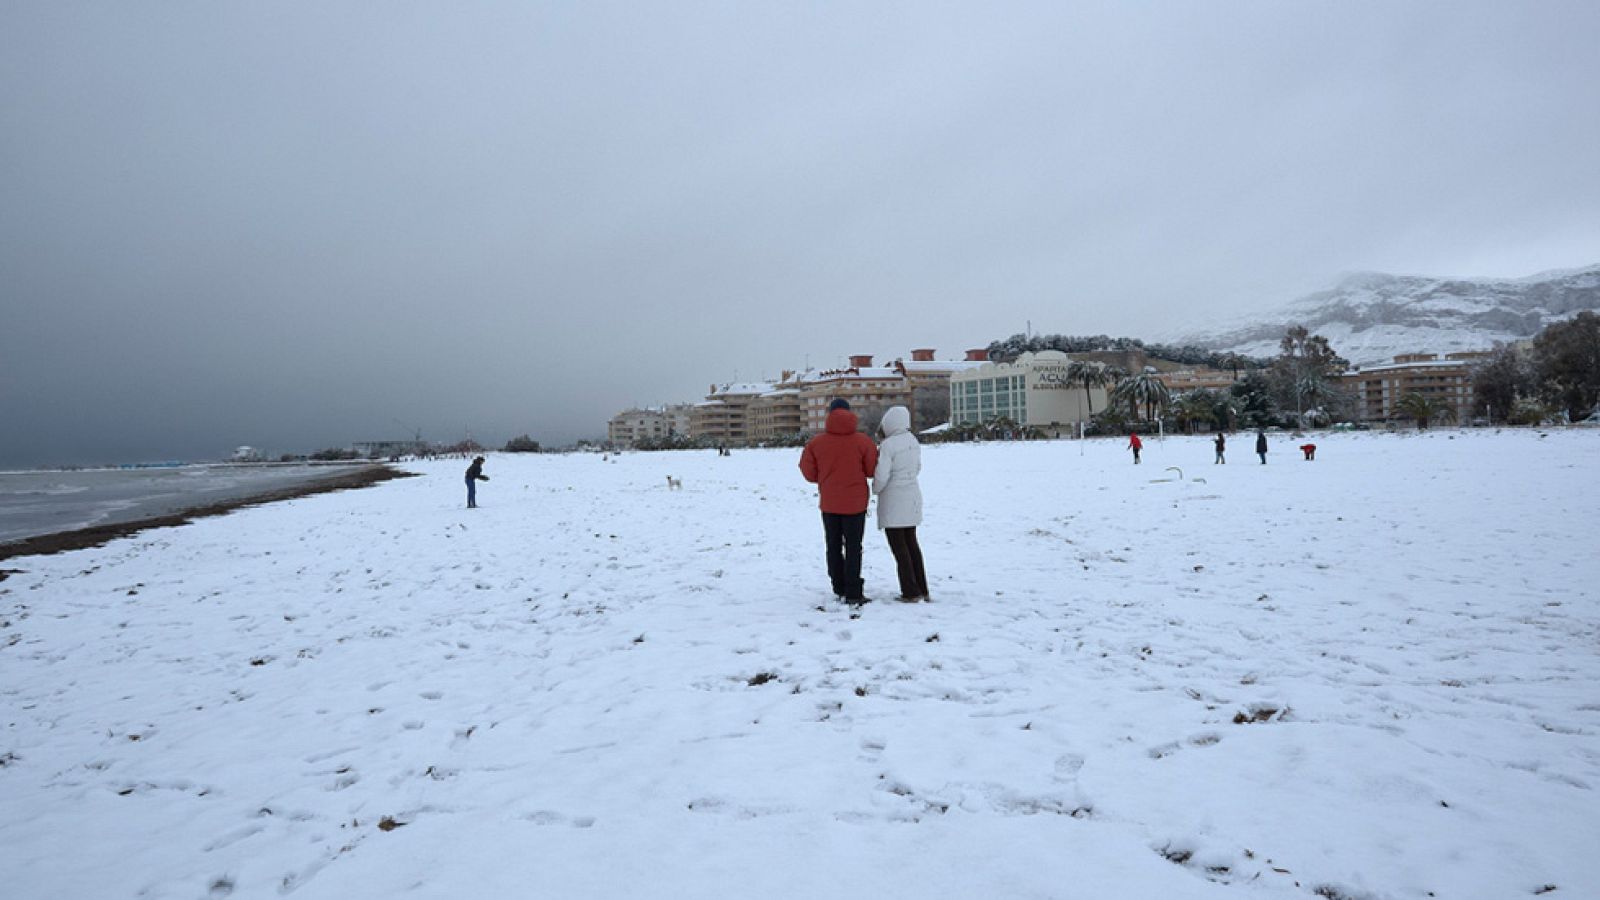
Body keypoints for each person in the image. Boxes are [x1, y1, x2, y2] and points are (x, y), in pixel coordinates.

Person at [799, 399, 879, 605]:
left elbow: (808, 472)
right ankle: (853, 591)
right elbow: (872, 470)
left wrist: (826, 478)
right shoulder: (863, 441)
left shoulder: (816, 443)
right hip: (855, 504)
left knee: (833, 545)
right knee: (854, 547)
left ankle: (838, 585)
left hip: (830, 503)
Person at [872, 406, 929, 603]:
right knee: (912, 545)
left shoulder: (888, 446)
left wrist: (875, 489)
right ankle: (922, 588)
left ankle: (910, 591)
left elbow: (881, 476)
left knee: (900, 549)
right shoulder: (913, 441)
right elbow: (918, 467)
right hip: (912, 497)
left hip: (893, 501)